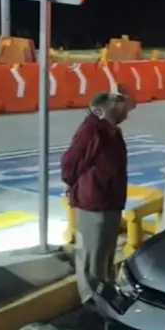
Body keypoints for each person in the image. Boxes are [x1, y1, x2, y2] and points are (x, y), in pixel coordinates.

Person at [61, 91, 130, 306]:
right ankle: (91, 298)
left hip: (110, 200)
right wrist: (76, 186)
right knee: (92, 252)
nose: (125, 113)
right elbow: (70, 164)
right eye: (120, 109)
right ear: (102, 110)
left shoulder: (112, 131)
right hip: (94, 203)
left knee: (105, 251)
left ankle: (104, 291)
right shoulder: (91, 130)